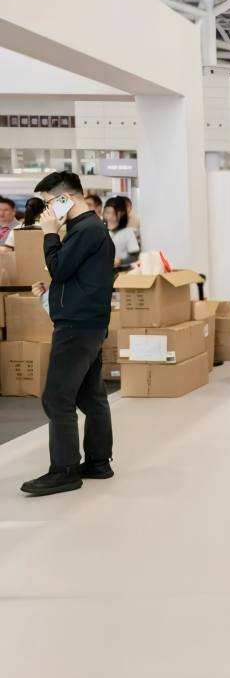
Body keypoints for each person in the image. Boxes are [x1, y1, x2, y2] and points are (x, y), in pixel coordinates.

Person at [20, 172, 116, 497]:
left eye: (49, 202)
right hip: (86, 324)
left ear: (66, 198)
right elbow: (72, 274)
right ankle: (98, 462)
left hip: (77, 327)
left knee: (57, 398)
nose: (47, 210)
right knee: (90, 396)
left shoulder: (86, 229)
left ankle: (64, 471)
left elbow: (60, 267)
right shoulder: (85, 229)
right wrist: (54, 292)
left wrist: (49, 233)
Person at [103, 196, 141, 272]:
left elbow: (135, 257)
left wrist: (120, 261)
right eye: (107, 212)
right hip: (102, 271)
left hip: (122, 271)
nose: (110, 217)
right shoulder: (100, 231)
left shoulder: (128, 232)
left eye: (114, 213)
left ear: (122, 213)